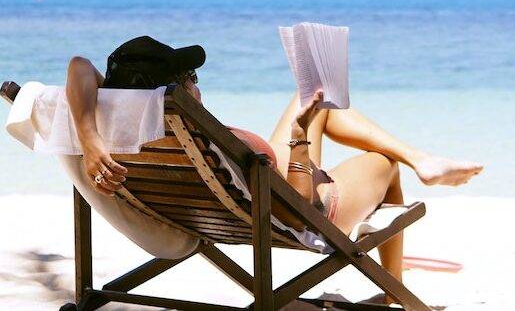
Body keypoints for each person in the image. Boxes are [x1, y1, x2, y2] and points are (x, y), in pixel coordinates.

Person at [64, 50, 483, 296]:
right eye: (190, 76)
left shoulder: (114, 125)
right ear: (175, 92)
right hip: (293, 211)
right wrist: (298, 137)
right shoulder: (219, 140)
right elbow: (301, 213)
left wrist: (90, 140)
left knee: (315, 98)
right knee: (384, 163)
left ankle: (421, 159)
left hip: (215, 200)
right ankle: (393, 284)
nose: (197, 84)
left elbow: (79, 65)